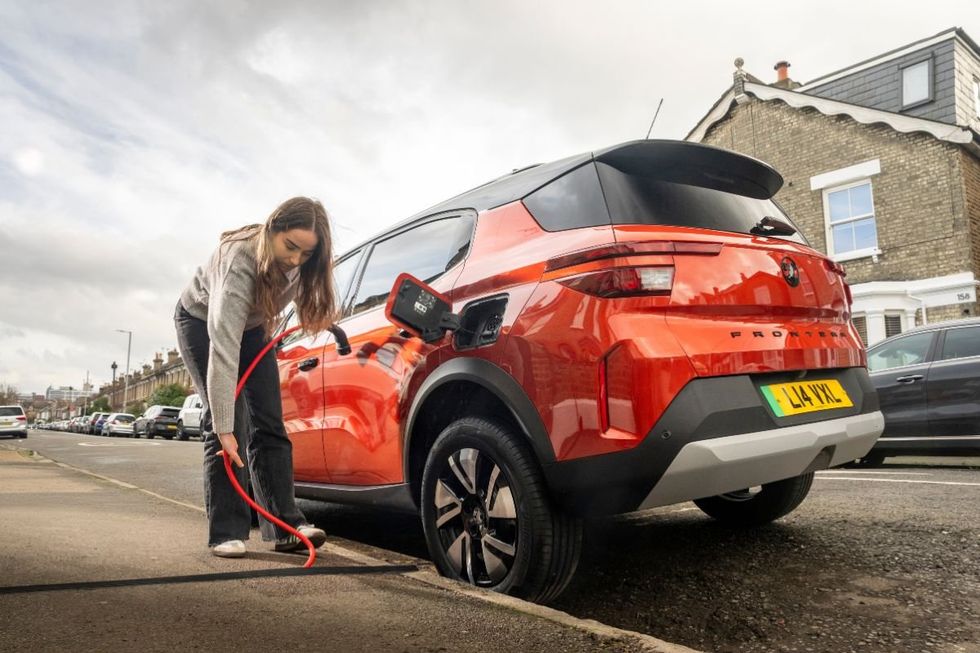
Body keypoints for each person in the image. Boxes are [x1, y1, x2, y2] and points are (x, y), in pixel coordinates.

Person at [174, 196, 337, 558]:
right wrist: (225, 428)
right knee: (229, 421)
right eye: (290, 247)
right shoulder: (239, 260)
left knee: (270, 421)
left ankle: (287, 527)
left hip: (254, 327)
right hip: (203, 324)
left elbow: (308, 305)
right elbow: (224, 347)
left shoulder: (305, 263)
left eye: (306, 254)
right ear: (271, 230)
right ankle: (226, 532)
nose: (295, 260)